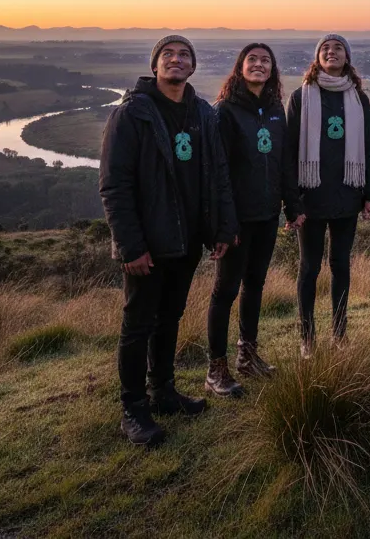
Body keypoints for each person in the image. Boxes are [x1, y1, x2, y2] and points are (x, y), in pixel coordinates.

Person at [99, 35, 236, 446]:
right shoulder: (132, 114)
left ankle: (163, 391)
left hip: (188, 240)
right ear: (155, 65)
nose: (176, 60)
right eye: (168, 55)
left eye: (184, 56)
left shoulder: (201, 112)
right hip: (149, 244)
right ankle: (133, 410)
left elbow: (217, 175)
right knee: (137, 324)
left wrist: (221, 229)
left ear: (193, 66)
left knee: (170, 318)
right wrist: (130, 246)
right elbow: (115, 186)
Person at [205, 43, 304, 397]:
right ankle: (217, 368)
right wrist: (224, 224)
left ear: (272, 69)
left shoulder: (276, 110)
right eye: (253, 60)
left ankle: (247, 355)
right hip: (237, 221)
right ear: (240, 67)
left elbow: (284, 163)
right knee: (225, 290)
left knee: (255, 286)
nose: (259, 65)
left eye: (265, 61)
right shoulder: (225, 112)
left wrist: (292, 208)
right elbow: (219, 174)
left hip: (267, 216)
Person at [285, 34, 370, 356]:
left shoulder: (357, 98)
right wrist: (292, 201)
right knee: (309, 267)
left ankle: (339, 335)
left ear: (347, 57)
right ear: (317, 57)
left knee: (341, 266)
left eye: (338, 47)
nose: (331, 51)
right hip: (310, 195)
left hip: (346, 194)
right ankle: (307, 338)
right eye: (325, 48)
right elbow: (289, 152)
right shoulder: (301, 97)